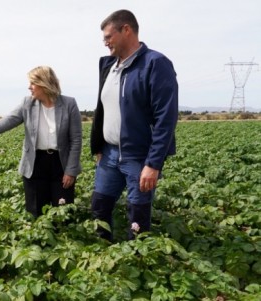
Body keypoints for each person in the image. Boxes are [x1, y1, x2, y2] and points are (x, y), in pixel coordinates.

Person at [89, 9, 178, 241]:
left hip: (139, 156)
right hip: (109, 154)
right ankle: (103, 254)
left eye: (108, 37)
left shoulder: (155, 64)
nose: (105, 43)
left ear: (126, 30)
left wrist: (154, 163)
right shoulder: (109, 66)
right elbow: (102, 110)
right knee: (99, 206)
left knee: (137, 215)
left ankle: (137, 260)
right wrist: (98, 144)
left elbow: (165, 119)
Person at [0, 66, 82, 218]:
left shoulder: (69, 104)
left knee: (63, 213)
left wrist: (71, 170)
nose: (29, 87)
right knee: (36, 212)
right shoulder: (27, 104)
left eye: (32, 83)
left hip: (60, 164)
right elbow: (5, 122)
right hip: (35, 163)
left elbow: (76, 140)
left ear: (44, 83)